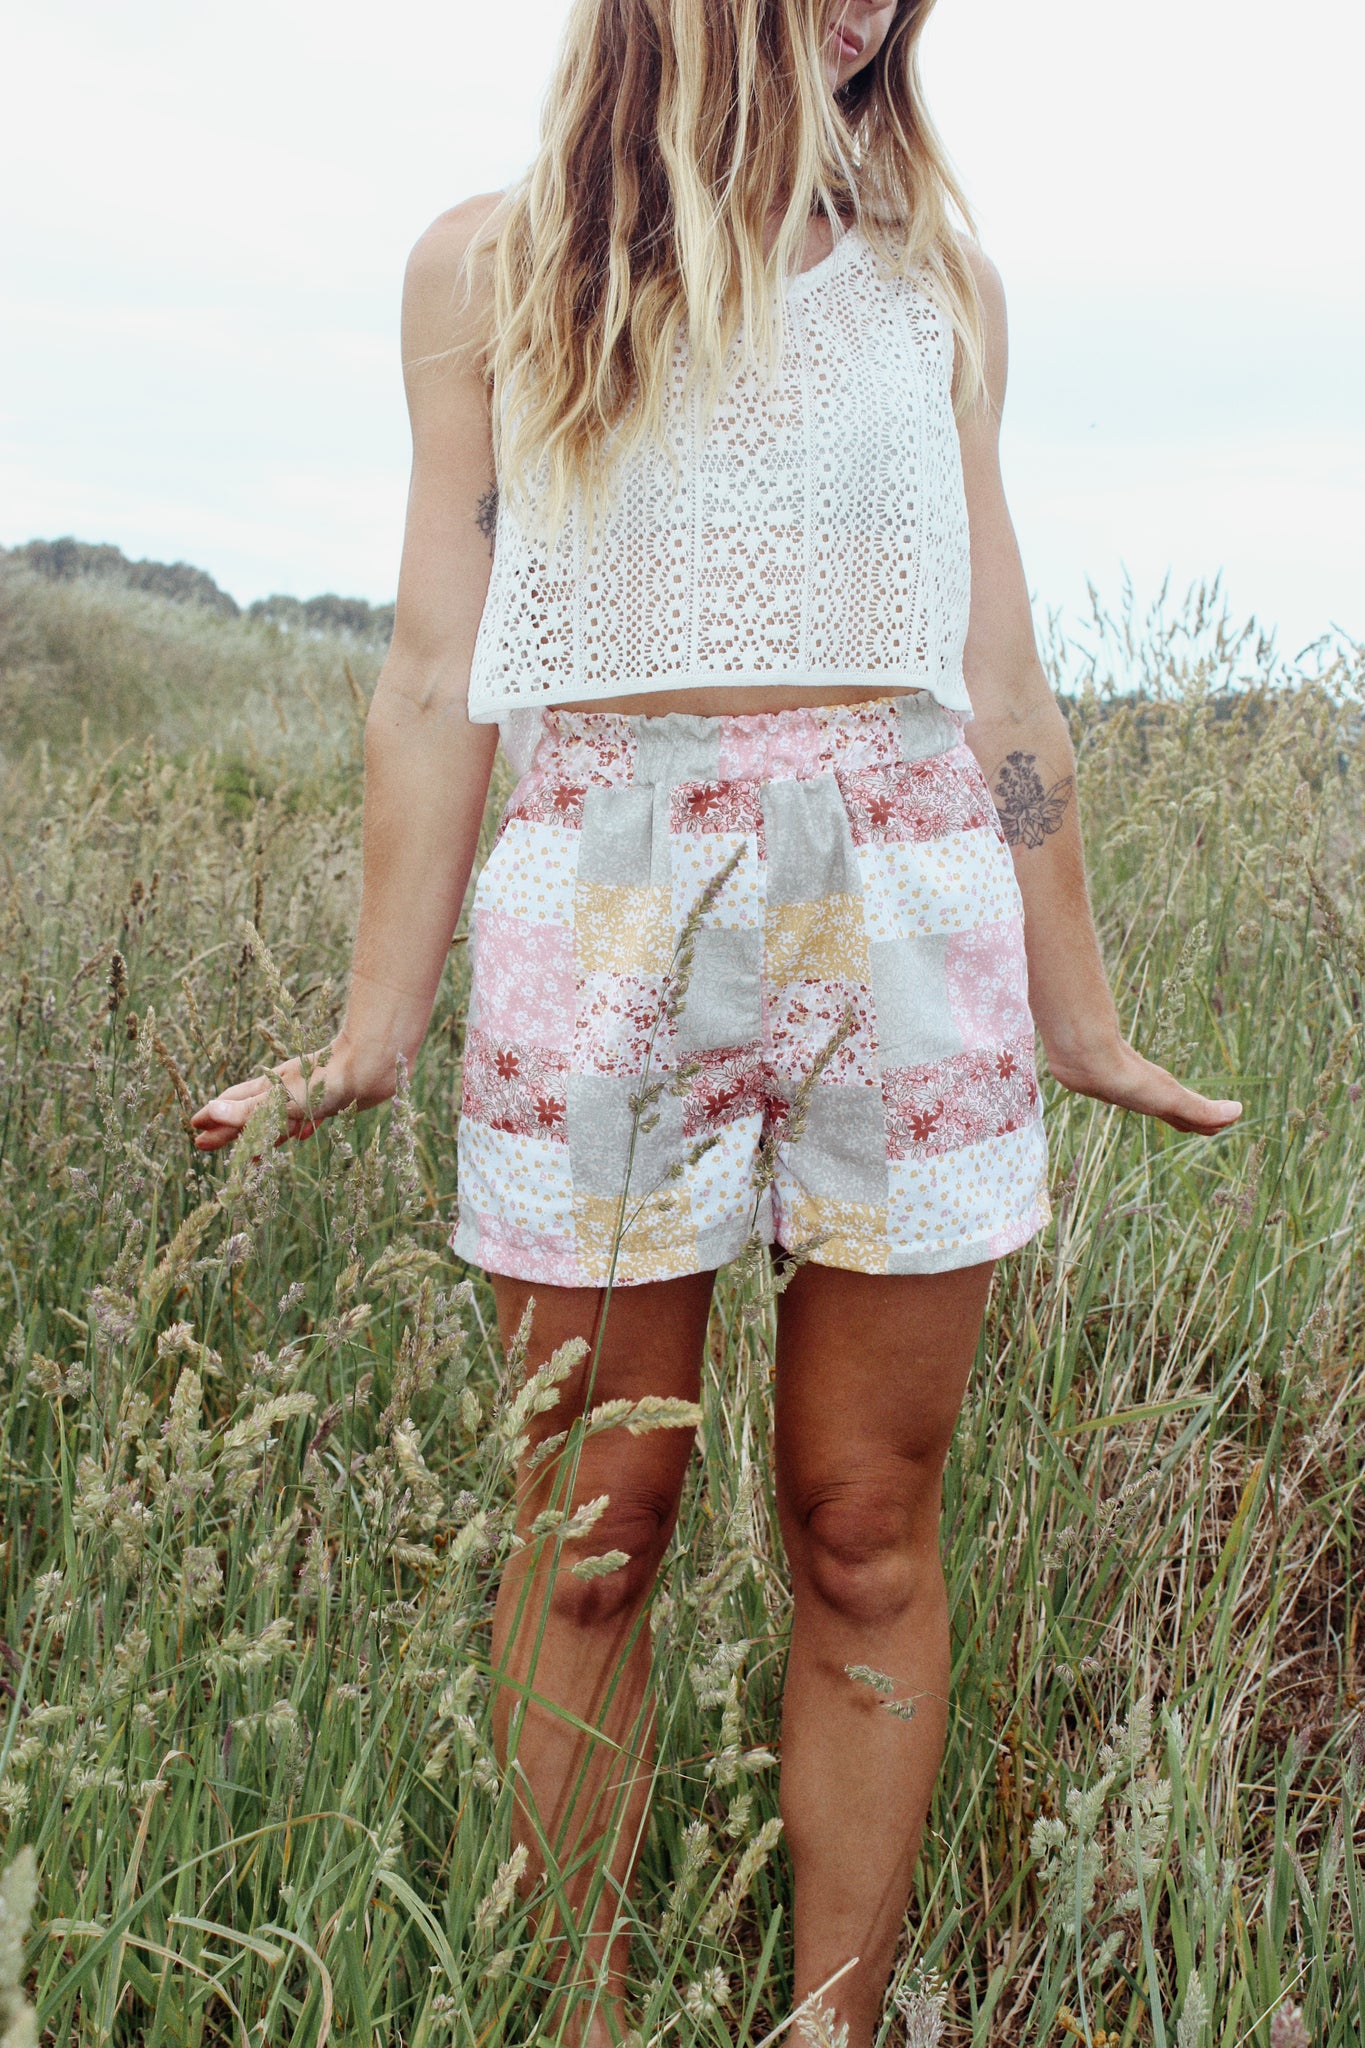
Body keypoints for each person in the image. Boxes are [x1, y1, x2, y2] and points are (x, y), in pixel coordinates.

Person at [192, 2, 1242, 2040]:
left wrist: (1084, 1016)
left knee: (863, 1525)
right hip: (601, 900)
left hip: (904, 903)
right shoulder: (491, 265)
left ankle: (830, 2025)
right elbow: (434, 674)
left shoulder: (939, 287)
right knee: (592, 1530)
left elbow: (999, 683)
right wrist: (368, 1030)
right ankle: (588, 2023)